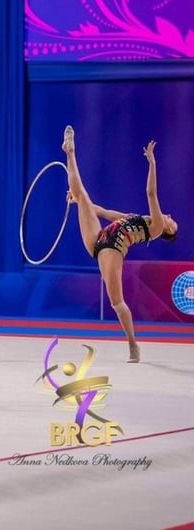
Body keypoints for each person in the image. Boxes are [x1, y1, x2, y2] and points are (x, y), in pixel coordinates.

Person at [62, 125, 178, 363]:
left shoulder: (154, 227)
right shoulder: (137, 218)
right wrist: (78, 203)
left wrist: (152, 164)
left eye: (171, 223)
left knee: (117, 302)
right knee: (82, 194)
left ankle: (133, 345)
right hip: (99, 237)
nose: (170, 218)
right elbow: (104, 212)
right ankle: (70, 151)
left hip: (113, 247)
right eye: (171, 219)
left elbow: (151, 194)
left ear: (165, 230)